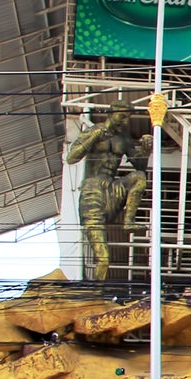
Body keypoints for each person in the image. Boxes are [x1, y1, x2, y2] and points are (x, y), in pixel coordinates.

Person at [64, 99, 151, 282]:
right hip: (92, 192)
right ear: (112, 113)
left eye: (127, 118)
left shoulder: (124, 139)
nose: (125, 121)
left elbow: (140, 166)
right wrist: (94, 137)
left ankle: (129, 221)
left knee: (139, 178)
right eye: (122, 116)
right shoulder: (94, 131)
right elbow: (72, 157)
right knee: (103, 258)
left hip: (111, 189)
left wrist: (146, 150)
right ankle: (96, 294)